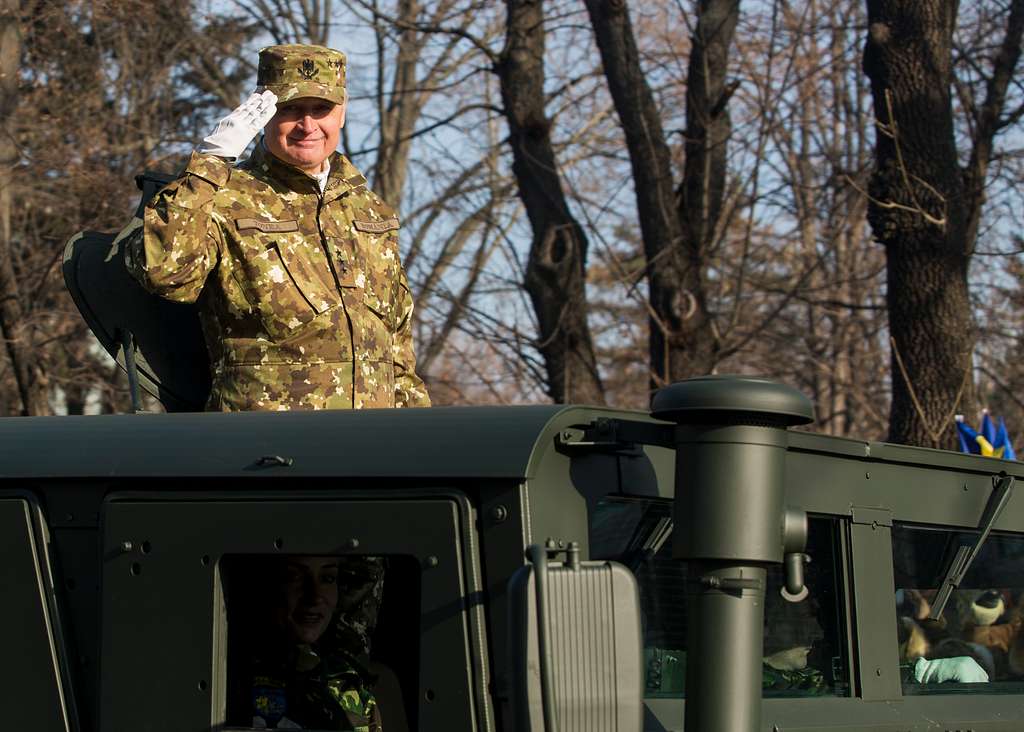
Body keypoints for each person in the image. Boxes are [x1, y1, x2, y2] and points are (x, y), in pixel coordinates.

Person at [127, 44, 430, 411]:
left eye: (322, 109)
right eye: (290, 110)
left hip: (372, 449)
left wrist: (419, 440)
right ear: (264, 115)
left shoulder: (369, 210)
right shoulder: (222, 199)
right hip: (264, 450)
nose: (308, 125)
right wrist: (210, 162)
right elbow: (164, 272)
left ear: (342, 113)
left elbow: (396, 350)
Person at [245, 555, 387, 730]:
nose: (314, 597)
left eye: (328, 578)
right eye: (294, 577)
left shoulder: (350, 679)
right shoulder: (229, 677)